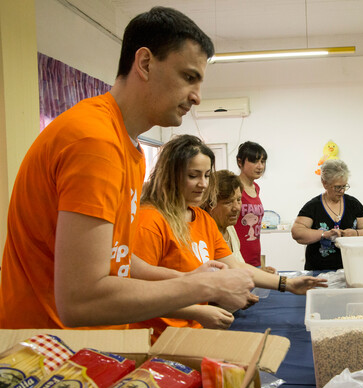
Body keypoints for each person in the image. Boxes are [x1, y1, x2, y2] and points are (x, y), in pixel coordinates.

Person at [0, 7, 255, 329]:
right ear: (145, 63)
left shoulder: (125, 145)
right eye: (189, 77)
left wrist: (187, 277)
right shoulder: (95, 141)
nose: (197, 97)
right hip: (52, 353)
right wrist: (203, 287)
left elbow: (116, 258)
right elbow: (81, 300)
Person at [131, 135, 327, 339]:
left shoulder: (202, 219)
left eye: (207, 176)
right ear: (171, 176)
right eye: (193, 176)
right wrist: (195, 311)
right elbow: (138, 293)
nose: (203, 184)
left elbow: (236, 265)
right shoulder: (149, 221)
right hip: (157, 339)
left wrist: (287, 284)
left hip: (193, 332)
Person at [291, 159, 363, 270]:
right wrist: (324, 234)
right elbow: (297, 232)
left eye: (344, 186)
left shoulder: (353, 204)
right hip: (318, 270)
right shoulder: (313, 206)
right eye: (337, 187)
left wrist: (355, 233)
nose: (342, 191)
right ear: (324, 183)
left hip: (351, 268)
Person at [234, 141, 267, 267]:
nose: (260, 166)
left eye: (262, 161)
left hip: (255, 258)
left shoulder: (256, 188)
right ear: (240, 162)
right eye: (254, 161)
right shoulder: (233, 187)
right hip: (237, 260)